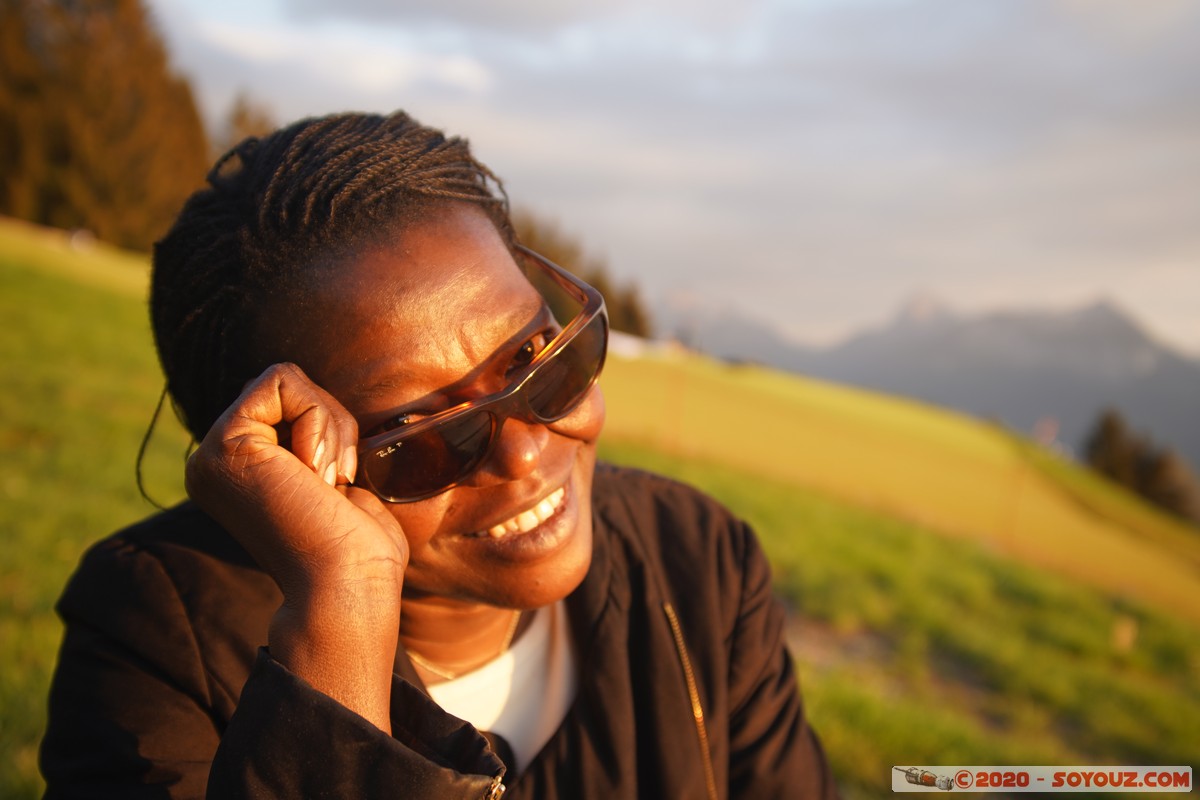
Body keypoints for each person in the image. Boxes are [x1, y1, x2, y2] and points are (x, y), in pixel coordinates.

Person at [39, 111, 838, 799]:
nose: (523, 453)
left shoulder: (697, 561)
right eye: (421, 436)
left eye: (538, 362)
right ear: (285, 467)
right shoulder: (159, 636)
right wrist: (340, 621)